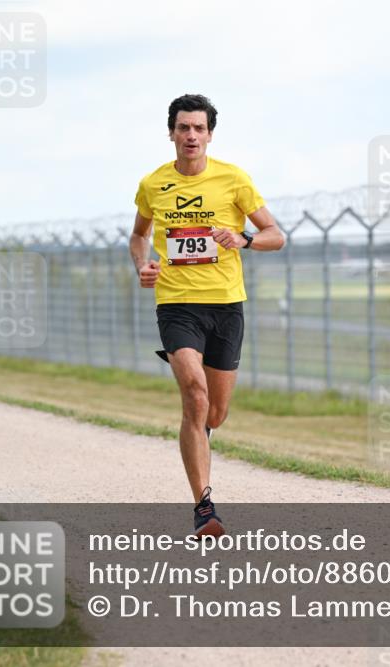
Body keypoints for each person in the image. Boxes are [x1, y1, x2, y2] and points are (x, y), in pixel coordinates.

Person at [129, 94, 285, 537]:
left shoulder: (234, 180)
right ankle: (204, 507)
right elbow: (139, 237)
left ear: (210, 134)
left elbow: (277, 235)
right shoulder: (153, 184)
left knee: (214, 413)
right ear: (171, 133)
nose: (191, 135)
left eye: (199, 128)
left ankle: (204, 433)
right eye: (183, 128)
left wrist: (245, 239)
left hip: (226, 306)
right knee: (194, 394)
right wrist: (142, 265)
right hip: (176, 303)